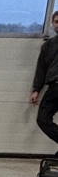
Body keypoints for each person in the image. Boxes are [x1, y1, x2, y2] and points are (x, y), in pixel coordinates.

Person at [30, 10, 58, 151]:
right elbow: (41, 69)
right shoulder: (47, 46)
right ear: (53, 24)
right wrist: (36, 89)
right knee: (42, 119)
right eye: (56, 22)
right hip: (54, 88)